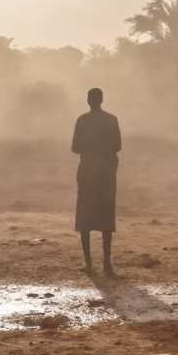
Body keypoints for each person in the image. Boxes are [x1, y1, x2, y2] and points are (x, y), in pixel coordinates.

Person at [71, 87, 122, 275]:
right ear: (102, 100)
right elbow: (117, 145)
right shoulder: (112, 120)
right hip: (106, 173)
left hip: (87, 172)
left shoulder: (82, 120)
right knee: (106, 215)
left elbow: (75, 148)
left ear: (88, 101)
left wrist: (90, 147)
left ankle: (88, 263)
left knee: (85, 217)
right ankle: (107, 263)